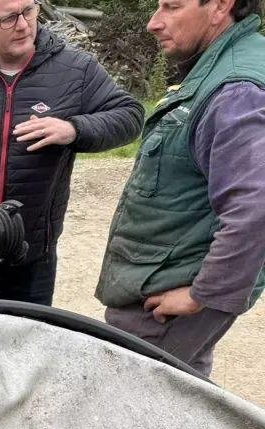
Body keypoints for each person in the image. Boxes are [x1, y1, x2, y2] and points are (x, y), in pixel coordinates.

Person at [0, 0, 143, 311]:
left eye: (29, 11)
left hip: (33, 250)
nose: (23, 25)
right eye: (8, 19)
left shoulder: (75, 70)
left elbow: (130, 116)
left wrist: (73, 129)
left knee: (24, 343)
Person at [97, 0, 265, 377]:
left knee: (124, 404)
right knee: (183, 397)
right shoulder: (223, 69)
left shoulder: (237, 90)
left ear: (220, 6)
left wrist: (201, 294)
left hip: (164, 301)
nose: (153, 23)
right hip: (164, 282)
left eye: (172, 6)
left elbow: (255, 209)